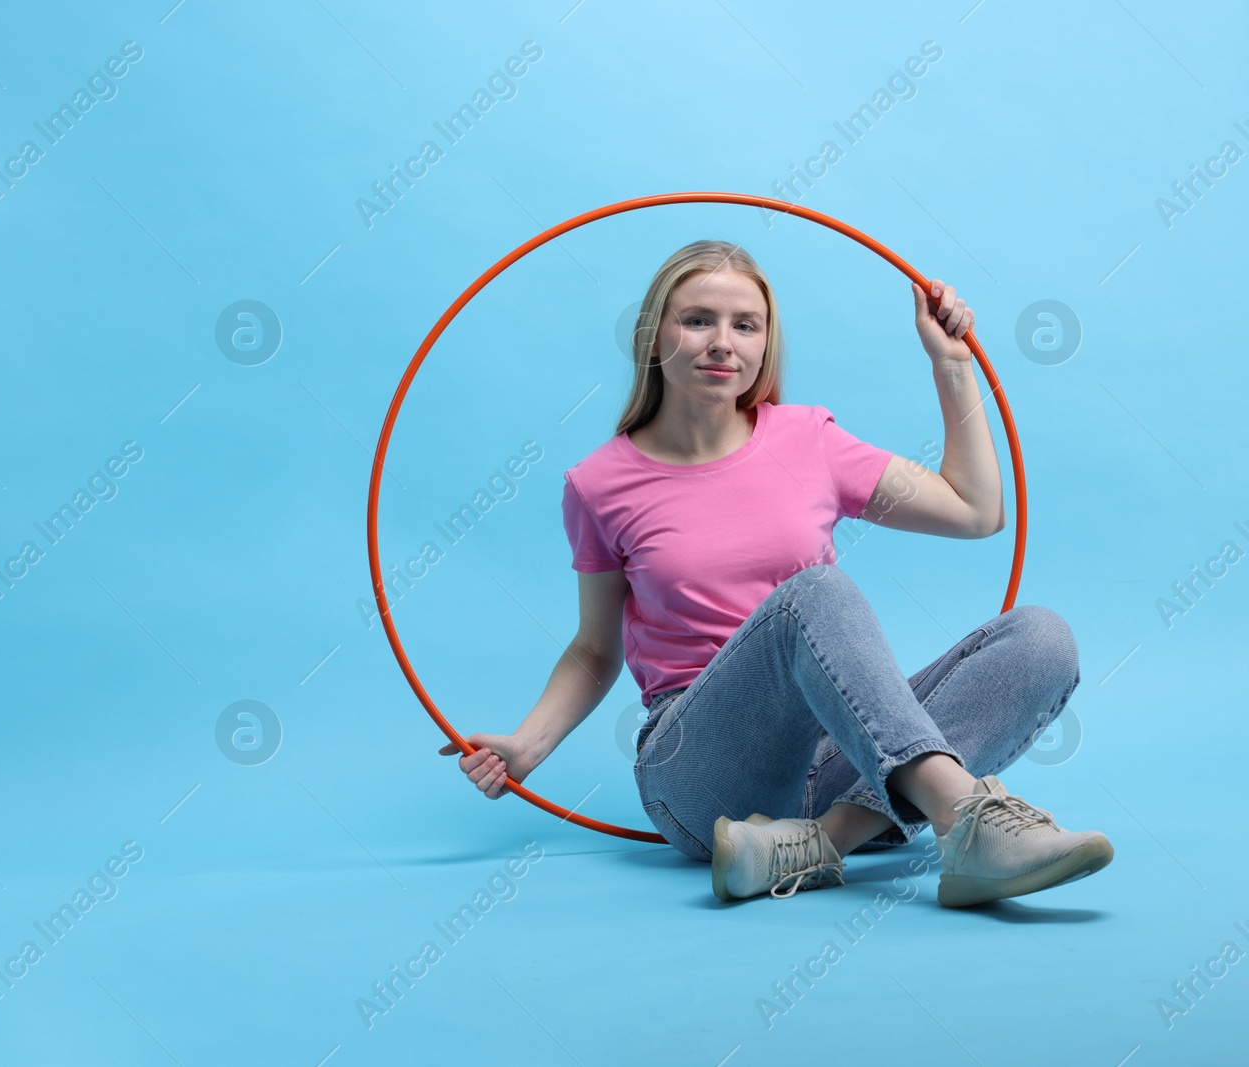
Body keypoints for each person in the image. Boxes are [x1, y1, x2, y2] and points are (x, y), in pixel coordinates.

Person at [440, 239, 1112, 908]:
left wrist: (953, 368)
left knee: (1042, 640)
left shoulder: (807, 440)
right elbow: (594, 648)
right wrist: (527, 747)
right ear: (653, 336)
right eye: (697, 319)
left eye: (745, 324)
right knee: (812, 594)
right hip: (702, 771)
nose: (721, 342)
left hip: (841, 755)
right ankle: (966, 819)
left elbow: (976, 510)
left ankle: (816, 844)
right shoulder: (599, 484)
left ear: (766, 343)